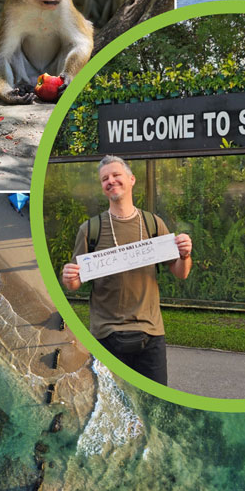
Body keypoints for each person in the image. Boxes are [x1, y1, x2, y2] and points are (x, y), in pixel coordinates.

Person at [60, 156, 192, 385]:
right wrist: (69, 277)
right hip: (105, 336)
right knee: (114, 403)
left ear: (131, 180)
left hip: (150, 334)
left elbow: (181, 272)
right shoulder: (90, 229)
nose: (111, 181)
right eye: (105, 179)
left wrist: (185, 254)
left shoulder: (153, 224)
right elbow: (74, 283)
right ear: (102, 187)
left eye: (116, 175)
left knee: (154, 403)